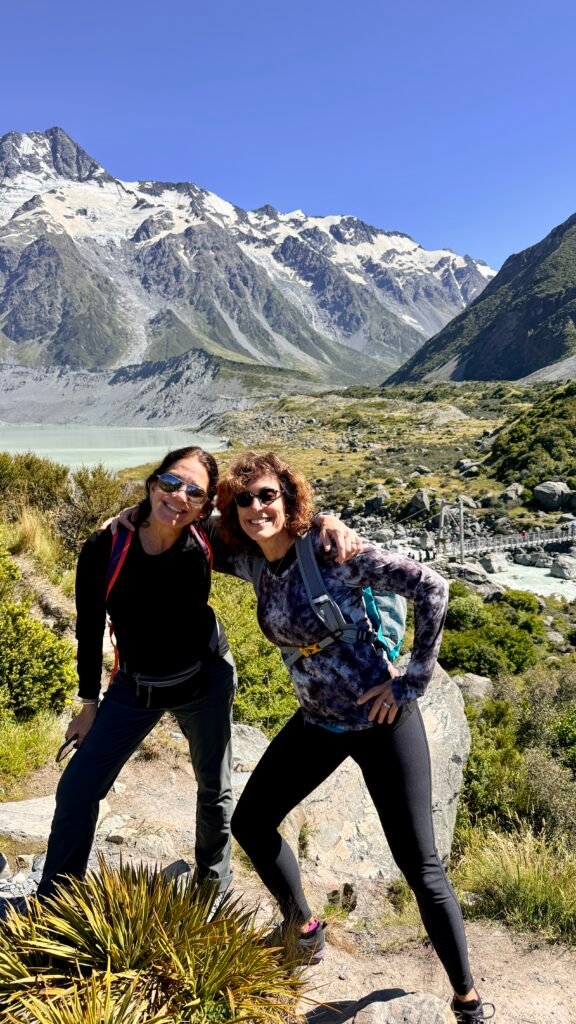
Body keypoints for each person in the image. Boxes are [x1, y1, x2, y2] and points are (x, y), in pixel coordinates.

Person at [214, 450, 494, 1024]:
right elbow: (184, 528)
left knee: (422, 868)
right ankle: (304, 927)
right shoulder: (252, 561)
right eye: (244, 499)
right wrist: (128, 521)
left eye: (267, 495)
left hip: (382, 723)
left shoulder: (331, 553)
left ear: (289, 498)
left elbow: (432, 588)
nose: (256, 507)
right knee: (251, 823)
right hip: (319, 723)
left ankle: (467, 999)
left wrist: (412, 682)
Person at [38, 446, 357, 901]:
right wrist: (88, 705)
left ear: (205, 506)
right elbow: (89, 628)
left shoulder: (208, 536)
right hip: (134, 688)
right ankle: (55, 900)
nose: (179, 496)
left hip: (204, 681)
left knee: (214, 792)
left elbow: (276, 529)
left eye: (194, 492)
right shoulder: (106, 546)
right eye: (170, 483)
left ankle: (211, 892)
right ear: (153, 484)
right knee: (77, 789)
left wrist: (327, 521)